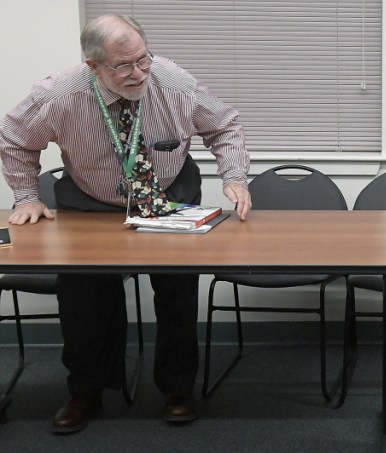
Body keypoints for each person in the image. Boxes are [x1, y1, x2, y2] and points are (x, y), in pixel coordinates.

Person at [0, 15, 251, 433]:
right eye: (122, 66)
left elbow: (225, 126)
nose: (138, 73)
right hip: (90, 200)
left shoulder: (173, 82)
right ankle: (86, 392)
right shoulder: (60, 94)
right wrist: (26, 195)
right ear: (93, 65)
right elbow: (14, 138)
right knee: (84, 301)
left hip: (168, 193)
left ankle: (177, 389)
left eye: (143, 59)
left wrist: (235, 177)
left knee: (177, 295)